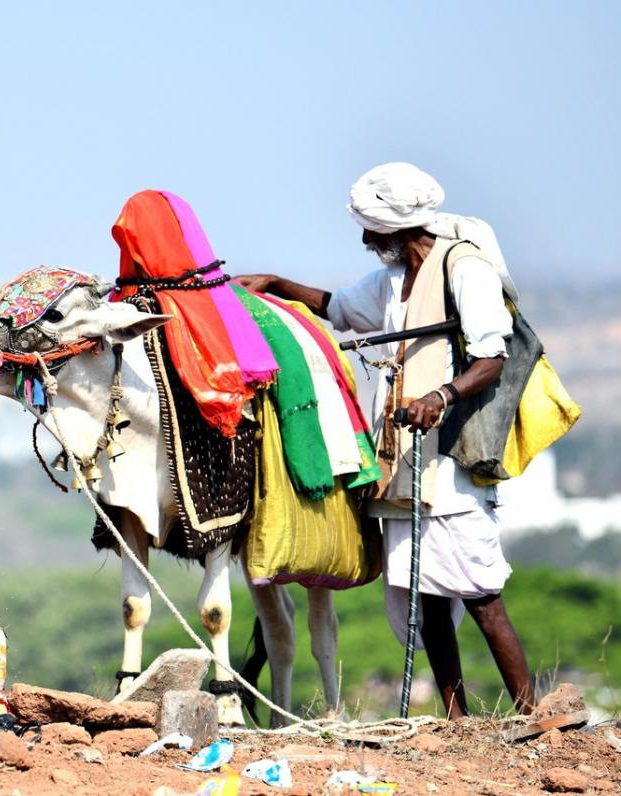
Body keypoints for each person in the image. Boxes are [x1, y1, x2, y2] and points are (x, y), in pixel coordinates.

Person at [234, 162, 534, 718]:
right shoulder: (397, 278)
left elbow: (493, 356)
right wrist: (276, 284)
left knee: (479, 589)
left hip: (453, 454)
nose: (366, 239)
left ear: (398, 228)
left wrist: (440, 397)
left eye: (371, 229)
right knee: (427, 592)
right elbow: (340, 309)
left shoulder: (464, 267)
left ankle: (534, 715)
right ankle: (457, 719)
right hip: (403, 459)